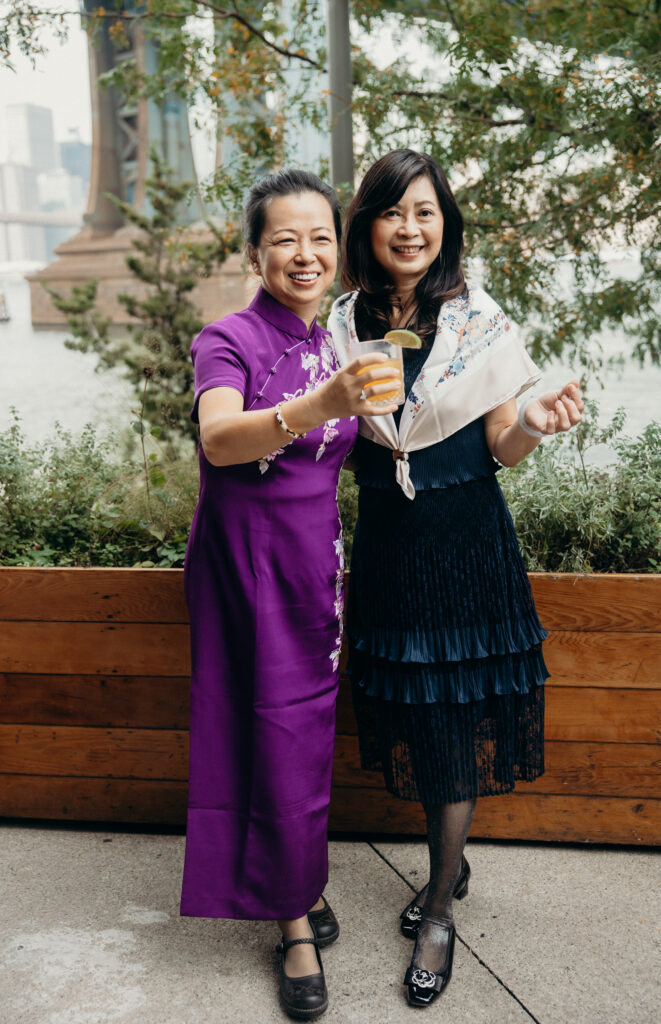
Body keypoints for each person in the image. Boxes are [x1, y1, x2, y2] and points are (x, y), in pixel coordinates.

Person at [328, 149, 584, 1009]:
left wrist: (537, 424)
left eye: (426, 213)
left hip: (467, 545)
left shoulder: (480, 323)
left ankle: (438, 904)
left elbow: (501, 447)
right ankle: (452, 857)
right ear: (368, 223)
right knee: (411, 711)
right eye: (394, 212)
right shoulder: (338, 322)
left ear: (447, 227)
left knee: (455, 713)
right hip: (390, 551)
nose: (411, 228)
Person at [179, 168, 400, 1021]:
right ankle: (294, 920)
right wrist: (320, 403)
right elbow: (221, 437)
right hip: (246, 566)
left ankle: (297, 877)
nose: (304, 254)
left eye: (319, 238)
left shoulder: (334, 339)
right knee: (270, 734)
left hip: (315, 566)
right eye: (285, 239)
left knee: (304, 734)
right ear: (254, 251)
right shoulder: (225, 338)